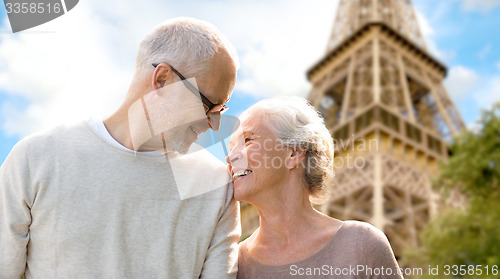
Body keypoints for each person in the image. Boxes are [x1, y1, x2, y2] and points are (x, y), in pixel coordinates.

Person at [0, 17, 241, 278]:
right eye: (209, 105)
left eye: (222, 110)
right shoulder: (35, 158)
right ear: (162, 80)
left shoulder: (217, 186)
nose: (216, 125)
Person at [226, 97, 403, 279]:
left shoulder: (362, 244)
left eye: (248, 140)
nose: (230, 157)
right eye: (230, 148)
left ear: (293, 152)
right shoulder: (233, 265)